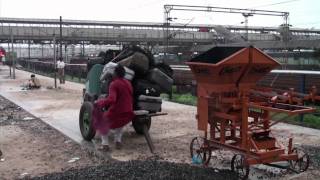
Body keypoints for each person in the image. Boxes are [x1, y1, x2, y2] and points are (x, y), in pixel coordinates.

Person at [93, 64, 134, 151]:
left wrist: (99, 102)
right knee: (120, 123)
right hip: (128, 113)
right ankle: (118, 141)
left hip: (118, 112)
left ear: (115, 73)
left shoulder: (114, 84)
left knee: (101, 122)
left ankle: (105, 145)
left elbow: (112, 99)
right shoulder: (128, 83)